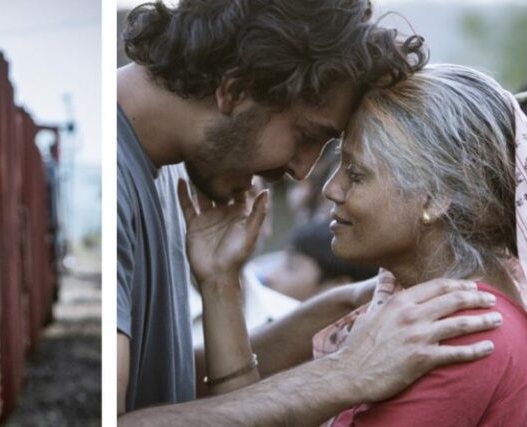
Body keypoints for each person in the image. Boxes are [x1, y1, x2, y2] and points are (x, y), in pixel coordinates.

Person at [118, 0, 503, 425]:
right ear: (235, 89)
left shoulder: (171, 162)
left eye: (353, 170)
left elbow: (171, 390)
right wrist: (346, 373)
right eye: (305, 135)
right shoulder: (122, 174)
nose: (304, 172)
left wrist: (342, 305)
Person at [313, 64, 527, 425]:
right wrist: (220, 283)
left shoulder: (462, 332)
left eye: (356, 173)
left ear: (434, 198)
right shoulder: (450, 316)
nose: (331, 189)